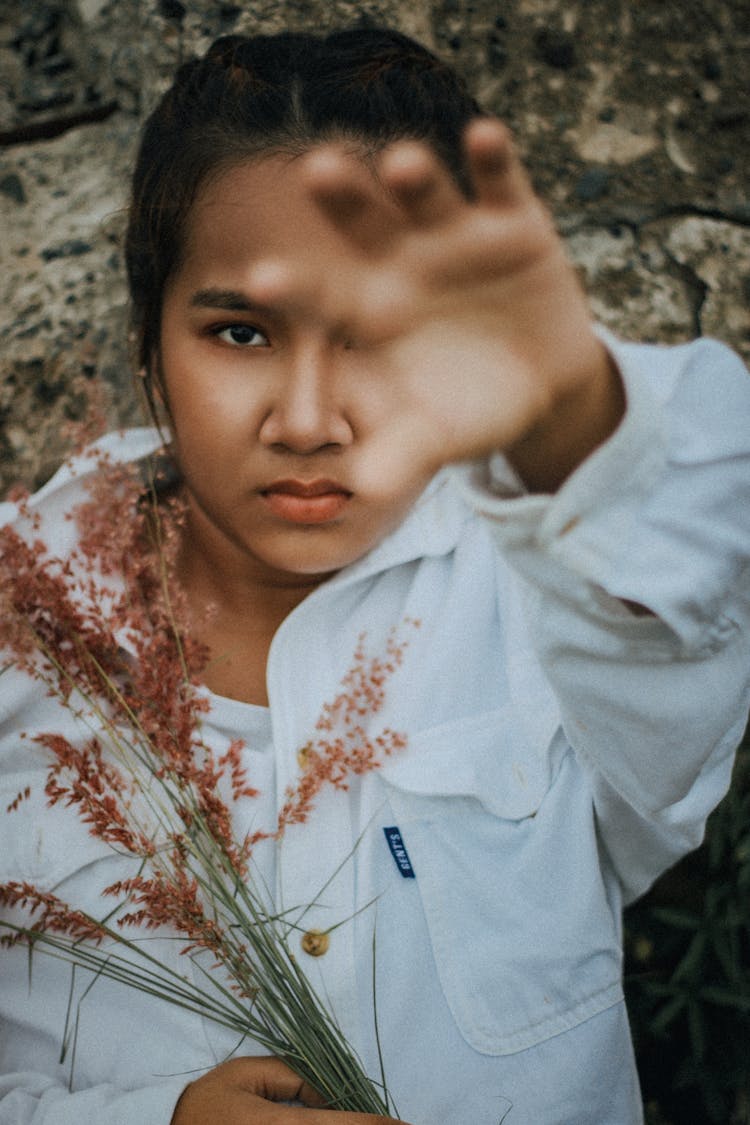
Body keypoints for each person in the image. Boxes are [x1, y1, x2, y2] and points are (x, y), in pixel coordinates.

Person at [1, 24, 749, 1125]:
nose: (309, 422)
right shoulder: (23, 627)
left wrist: (573, 415)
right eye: (242, 332)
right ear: (150, 337)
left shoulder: (555, 590)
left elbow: (695, 576)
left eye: (379, 330)